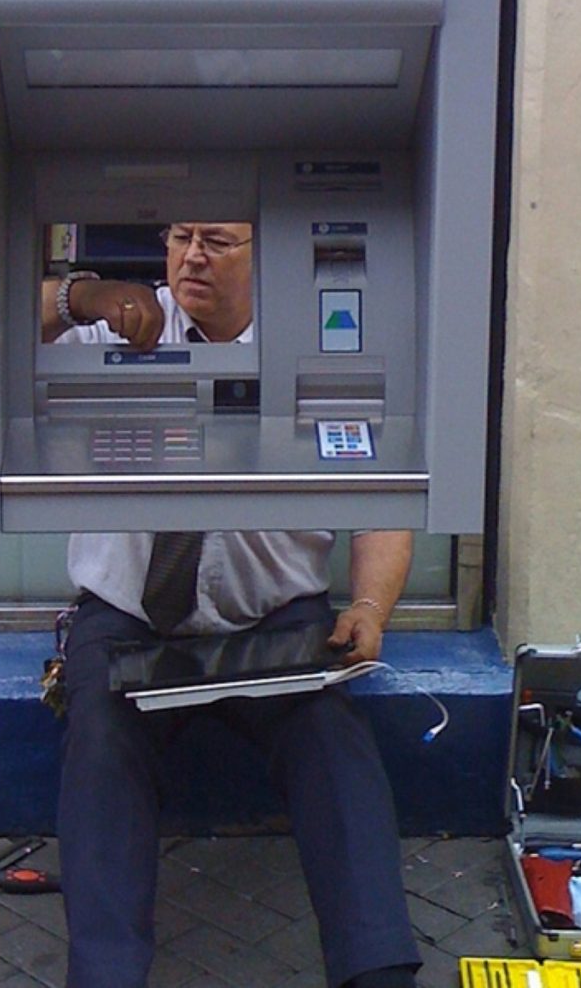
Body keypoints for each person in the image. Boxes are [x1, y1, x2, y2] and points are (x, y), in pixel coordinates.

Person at [44, 222, 422, 988]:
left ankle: (376, 968)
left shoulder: (319, 349)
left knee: (332, 743)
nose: (191, 258)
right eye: (180, 237)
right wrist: (84, 294)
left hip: (271, 621)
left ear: (269, 255)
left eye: (218, 241)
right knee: (100, 747)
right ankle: (105, 975)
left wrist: (372, 607)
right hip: (129, 619)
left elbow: (385, 497)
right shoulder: (120, 327)